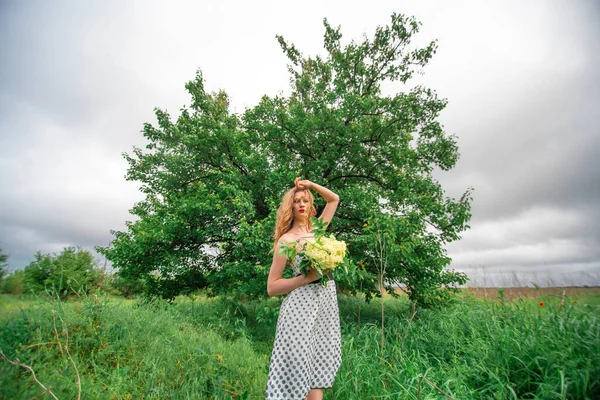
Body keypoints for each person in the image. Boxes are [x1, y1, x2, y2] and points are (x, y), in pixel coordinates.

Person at [265, 178, 342, 400]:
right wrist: (306, 278)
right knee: (297, 367)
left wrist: (310, 186)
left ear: (310, 205)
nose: (301, 204)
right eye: (296, 201)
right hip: (300, 309)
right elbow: (272, 287)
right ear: (290, 207)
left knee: (319, 362)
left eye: (305, 201)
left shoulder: (318, 229)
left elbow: (334, 199)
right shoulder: (286, 241)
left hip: (325, 304)